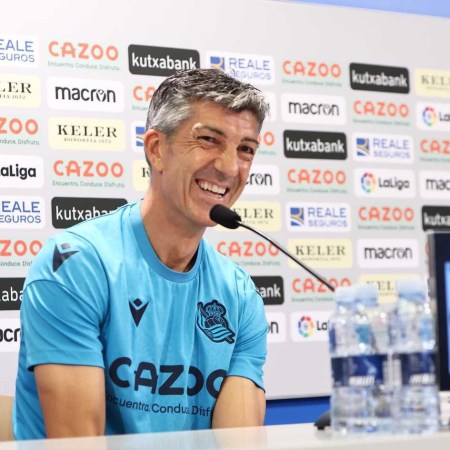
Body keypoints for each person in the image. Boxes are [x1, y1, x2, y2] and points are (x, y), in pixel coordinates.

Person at [13, 68, 270, 439]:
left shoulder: (240, 294)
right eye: (209, 140)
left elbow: (238, 443)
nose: (230, 167)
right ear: (156, 149)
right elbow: (78, 444)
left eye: (245, 149)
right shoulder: (75, 265)